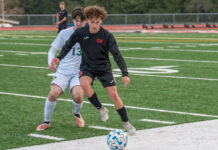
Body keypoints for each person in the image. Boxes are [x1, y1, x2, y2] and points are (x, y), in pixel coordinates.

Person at [51, 5, 136, 135]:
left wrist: (125, 74)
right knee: (84, 84)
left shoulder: (107, 36)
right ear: (88, 20)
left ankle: (126, 123)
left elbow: (117, 55)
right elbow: (68, 45)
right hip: (87, 67)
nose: (95, 25)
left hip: (103, 68)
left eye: (97, 22)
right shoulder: (80, 33)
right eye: (92, 22)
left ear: (101, 20)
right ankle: (101, 109)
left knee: (114, 95)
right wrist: (59, 58)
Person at [36, 7, 86, 131]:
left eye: (82, 20)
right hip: (63, 70)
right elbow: (52, 49)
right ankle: (46, 122)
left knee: (78, 96)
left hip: (79, 72)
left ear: (86, 21)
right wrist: (51, 62)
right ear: (73, 20)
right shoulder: (64, 33)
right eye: (76, 20)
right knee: (53, 94)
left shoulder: (89, 35)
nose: (79, 23)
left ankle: (76, 113)